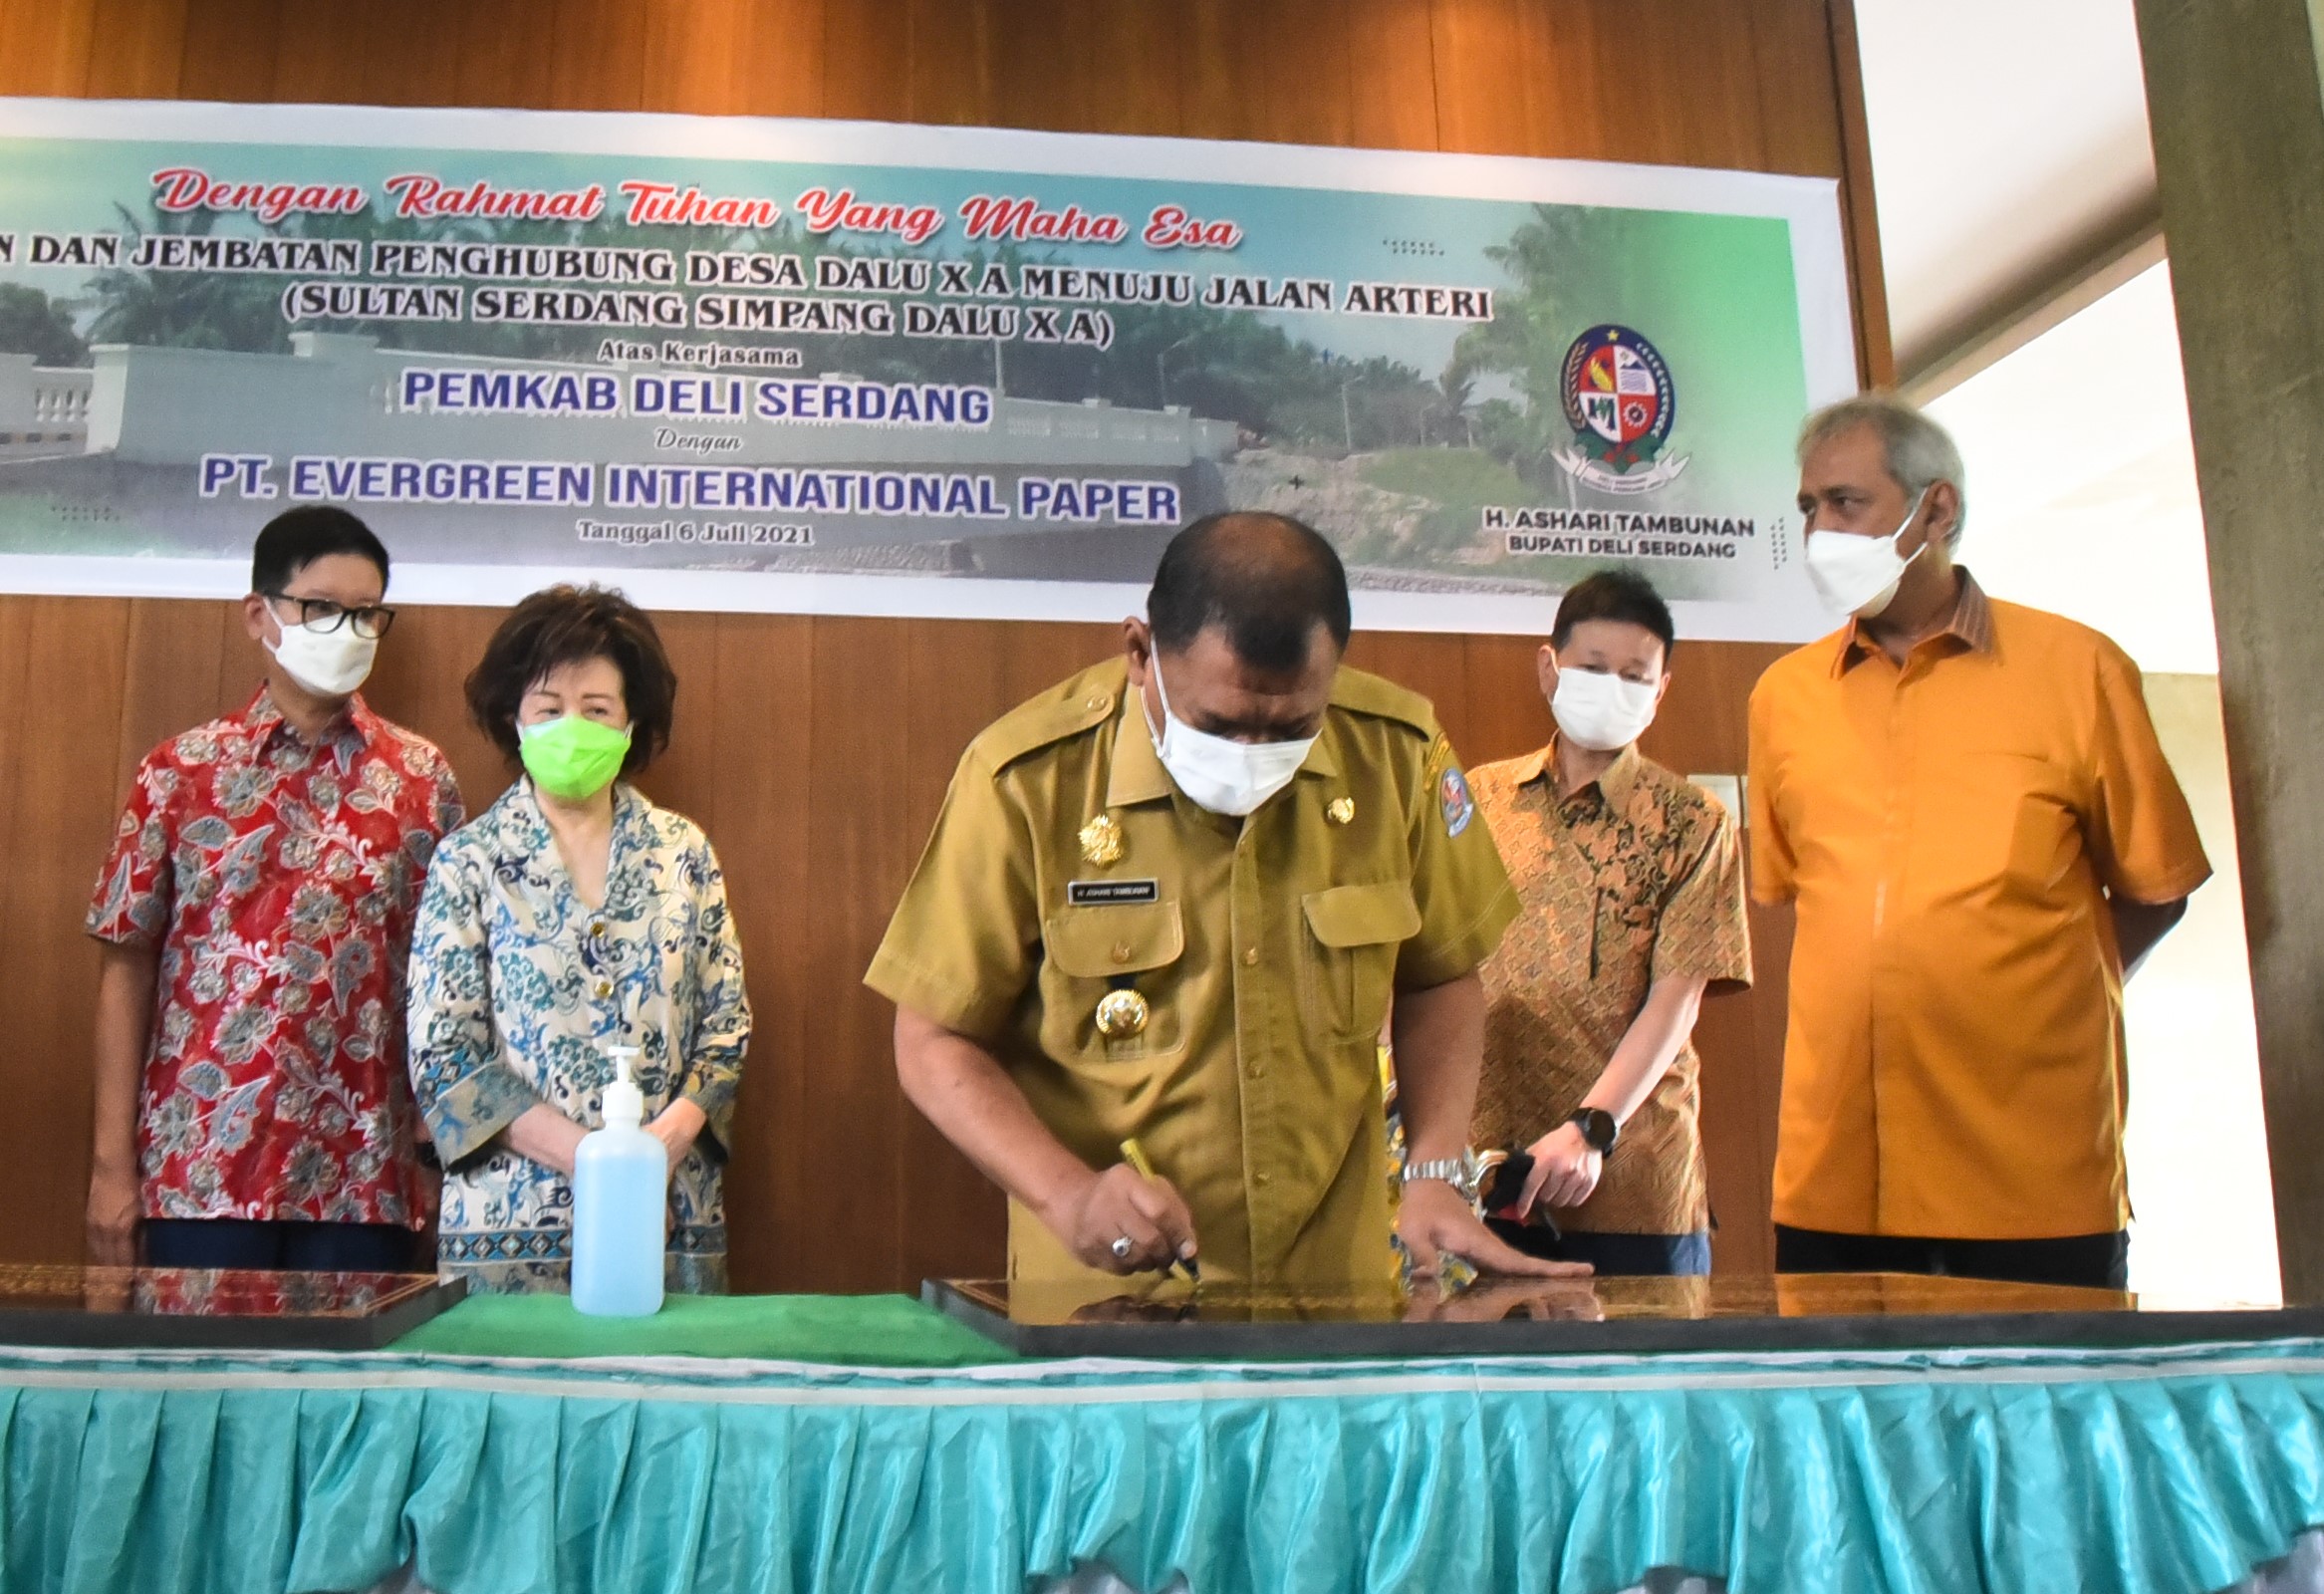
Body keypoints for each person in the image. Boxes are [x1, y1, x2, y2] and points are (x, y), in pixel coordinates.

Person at [868, 511, 1582, 1288]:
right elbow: (934, 1038)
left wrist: (1433, 1168)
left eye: (1290, 727)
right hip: (1116, 1295)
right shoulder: (1027, 781)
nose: (1253, 755)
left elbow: (1440, 974)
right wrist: (1066, 1195)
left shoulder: (1394, 754)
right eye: (1221, 724)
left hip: (1332, 1293)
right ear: (1140, 653)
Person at [1750, 394, 2210, 1290]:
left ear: (1937, 509)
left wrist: (2033, 1002)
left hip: (2028, 1180)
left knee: (2037, 1429)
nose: (1818, 531)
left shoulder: (2077, 670)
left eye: (1845, 503)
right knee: (1850, 1432)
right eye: (1807, 509)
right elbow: (1800, 900)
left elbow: (2156, 888)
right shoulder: (1782, 698)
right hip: (1833, 1184)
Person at [84, 505, 462, 1273]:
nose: (346, 631)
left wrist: (432, 1157)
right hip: (200, 1173)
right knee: (198, 1390)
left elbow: (443, 987)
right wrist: (108, 1168)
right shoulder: (179, 773)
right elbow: (125, 968)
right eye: (321, 607)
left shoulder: (423, 781)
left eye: (366, 614)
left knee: (345, 1395)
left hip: (364, 1178)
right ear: (260, 615)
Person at [404, 586, 749, 1294]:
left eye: (596, 710)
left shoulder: (683, 852)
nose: (572, 727)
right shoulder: (469, 860)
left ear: (630, 723)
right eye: (549, 708)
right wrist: (600, 1165)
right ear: (515, 719)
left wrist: (653, 1157)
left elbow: (727, 1033)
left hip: (670, 1221)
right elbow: (442, 1057)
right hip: (508, 1229)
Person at [1467, 570, 1751, 1277]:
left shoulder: (1693, 823)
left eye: (1634, 675)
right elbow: (1424, 967)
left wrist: (1592, 1129)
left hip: (1630, 1185)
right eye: (1593, 669)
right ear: (1548, 668)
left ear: (1659, 691)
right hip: (1479, 1177)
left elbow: (1676, 999)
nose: (1613, 687)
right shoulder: (1474, 798)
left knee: (1643, 1384)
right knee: (1481, 1384)